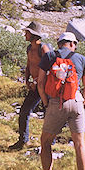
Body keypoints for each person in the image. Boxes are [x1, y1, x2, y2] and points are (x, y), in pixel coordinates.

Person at [35, 32, 85, 170]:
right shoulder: (81, 59)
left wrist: (46, 102)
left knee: (46, 141)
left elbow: (40, 84)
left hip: (55, 103)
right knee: (80, 144)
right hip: (76, 101)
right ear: (72, 44)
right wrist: (82, 102)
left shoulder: (49, 57)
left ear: (59, 43)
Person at [9, 22, 52, 150]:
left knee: (48, 113)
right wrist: (27, 79)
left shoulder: (43, 48)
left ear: (33, 35)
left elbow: (49, 68)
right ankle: (23, 140)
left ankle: (50, 142)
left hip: (45, 86)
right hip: (35, 86)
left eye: (27, 33)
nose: (25, 35)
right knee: (24, 111)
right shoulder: (29, 48)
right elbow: (29, 65)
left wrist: (37, 80)